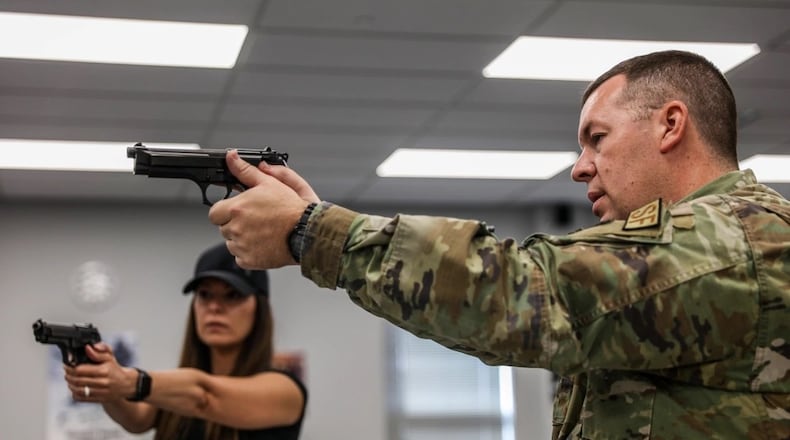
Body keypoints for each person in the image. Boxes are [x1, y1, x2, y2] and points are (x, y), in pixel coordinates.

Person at [207, 50, 790, 439]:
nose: (579, 168)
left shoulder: (736, 240)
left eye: (597, 138)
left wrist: (313, 231)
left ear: (670, 124)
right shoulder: (714, 240)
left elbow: (520, 292)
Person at [64, 243, 308, 440]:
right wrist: (104, 383)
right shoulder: (178, 388)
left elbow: (204, 396)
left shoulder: (285, 390)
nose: (214, 307)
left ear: (259, 308)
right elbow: (137, 419)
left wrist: (127, 380)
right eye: (204, 294)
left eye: (233, 295)